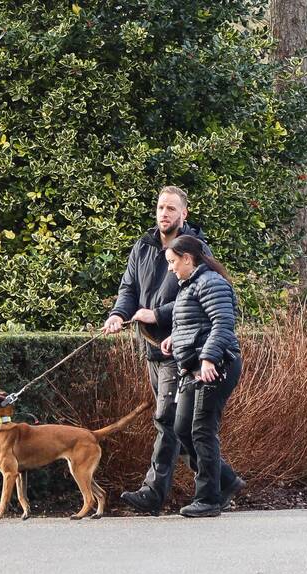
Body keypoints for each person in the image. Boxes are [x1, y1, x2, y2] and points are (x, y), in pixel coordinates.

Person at [101, 187, 244, 515]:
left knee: (171, 420)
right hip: (162, 346)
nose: (164, 213)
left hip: (188, 354)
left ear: (184, 214)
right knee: (179, 426)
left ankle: (157, 493)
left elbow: (198, 304)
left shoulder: (195, 253)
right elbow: (129, 289)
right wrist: (118, 315)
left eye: (171, 208)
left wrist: (160, 317)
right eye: (160, 207)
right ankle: (224, 480)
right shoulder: (143, 247)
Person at [159, 234, 244, 517]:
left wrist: (208, 358)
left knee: (202, 430)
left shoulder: (211, 283)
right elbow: (196, 322)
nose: (170, 268)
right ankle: (227, 481)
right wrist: (175, 338)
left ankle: (208, 499)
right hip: (194, 368)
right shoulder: (190, 285)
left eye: (173, 262)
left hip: (216, 366)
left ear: (187, 258)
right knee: (182, 429)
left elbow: (223, 324)